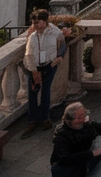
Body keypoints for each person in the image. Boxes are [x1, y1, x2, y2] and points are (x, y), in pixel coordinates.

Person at [23, 9, 66, 137]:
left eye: (37, 22)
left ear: (45, 21)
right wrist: (34, 71)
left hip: (49, 66)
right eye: (33, 23)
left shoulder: (55, 32)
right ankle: (33, 119)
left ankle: (44, 118)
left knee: (45, 91)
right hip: (35, 67)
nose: (35, 25)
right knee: (33, 92)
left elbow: (63, 44)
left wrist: (60, 57)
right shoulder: (32, 35)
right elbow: (28, 54)